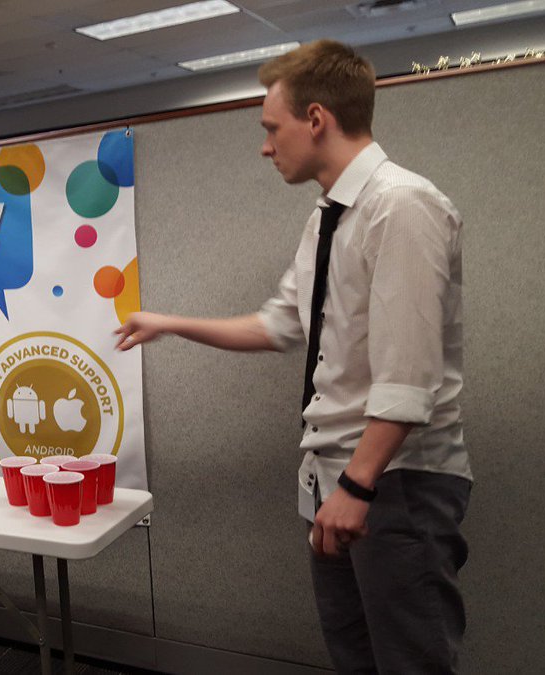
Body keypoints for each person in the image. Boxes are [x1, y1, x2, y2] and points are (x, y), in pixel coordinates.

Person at [115, 40, 470, 674]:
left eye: (271, 127)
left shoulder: (402, 206)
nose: (264, 145)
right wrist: (167, 322)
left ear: (316, 119)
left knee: (410, 662)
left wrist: (358, 487)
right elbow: (279, 325)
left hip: (395, 480)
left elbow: (408, 379)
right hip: (338, 477)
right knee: (355, 655)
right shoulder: (328, 218)